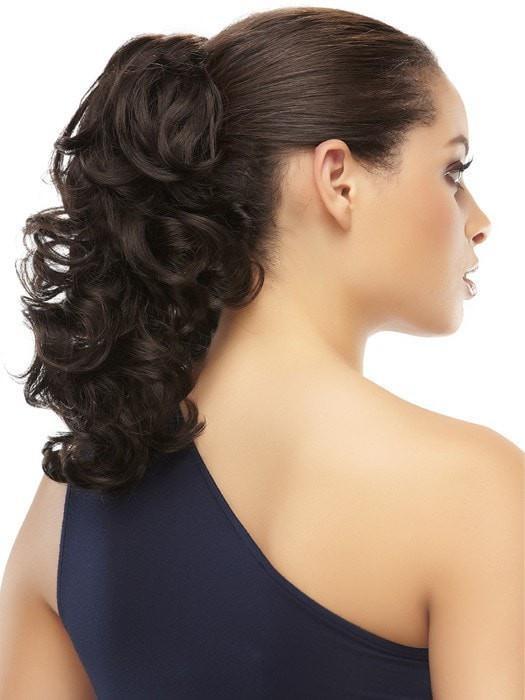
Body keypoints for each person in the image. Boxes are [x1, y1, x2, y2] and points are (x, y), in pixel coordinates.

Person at [1, 7, 523, 698]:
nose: (478, 221)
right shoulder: (473, 489)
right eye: (452, 171)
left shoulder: (71, 500)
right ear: (338, 179)